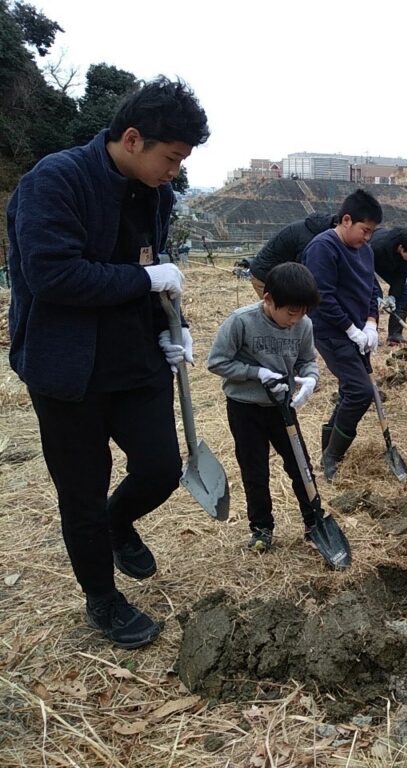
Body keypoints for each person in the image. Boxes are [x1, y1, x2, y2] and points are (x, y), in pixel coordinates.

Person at [5, 77, 209, 649]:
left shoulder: (156, 195)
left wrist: (176, 328)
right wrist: (144, 279)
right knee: (83, 492)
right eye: (170, 159)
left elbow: (155, 267)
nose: (174, 173)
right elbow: (52, 275)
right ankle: (102, 599)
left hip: (135, 357)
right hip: (67, 366)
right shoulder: (55, 181)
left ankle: (121, 524)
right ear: (134, 138)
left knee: (161, 468)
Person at [207, 263, 321, 552]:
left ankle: (315, 521)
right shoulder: (242, 321)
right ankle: (261, 528)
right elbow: (217, 362)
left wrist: (310, 379)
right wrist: (256, 373)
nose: (295, 319)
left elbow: (307, 359)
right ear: (268, 299)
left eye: (302, 312)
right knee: (254, 469)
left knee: (301, 466)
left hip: (282, 406)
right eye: (290, 312)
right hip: (245, 408)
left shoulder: (303, 325)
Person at [303, 190, 384, 480]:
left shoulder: (365, 250)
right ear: (346, 220)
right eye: (365, 230)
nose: (367, 238)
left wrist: (371, 323)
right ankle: (333, 456)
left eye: (372, 232)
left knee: (351, 390)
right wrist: (350, 328)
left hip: (357, 331)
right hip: (330, 331)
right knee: (361, 392)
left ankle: (328, 451)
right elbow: (321, 296)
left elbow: (372, 289)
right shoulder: (323, 248)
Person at [248, 213, 337, 297]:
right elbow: (306, 272)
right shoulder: (312, 240)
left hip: (279, 274)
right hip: (265, 275)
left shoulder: (316, 228)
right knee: (282, 310)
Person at [371, 226, 407, 345]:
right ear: (401, 248)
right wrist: (376, 295)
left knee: (403, 292)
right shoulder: (377, 246)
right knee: (374, 295)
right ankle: (371, 333)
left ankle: (395, 335)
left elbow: (400, 277)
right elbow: (364, 269)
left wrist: (393, 297)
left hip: (391, 263)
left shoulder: (406, 255)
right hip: (368, 263)